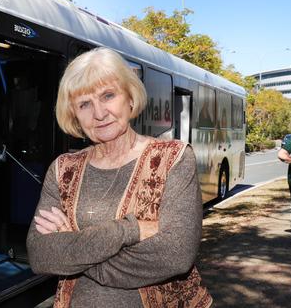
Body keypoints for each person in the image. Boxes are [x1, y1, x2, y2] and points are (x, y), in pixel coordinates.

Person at [26, 47, 212, 308]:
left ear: (130, 98)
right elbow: (40, 255)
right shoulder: (63, 169)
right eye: (84, 104)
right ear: (74, 115)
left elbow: (175, 255)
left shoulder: (174, 158)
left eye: (108, 95)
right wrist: (130, 229)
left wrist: (73, 247)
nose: (99, 113)